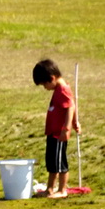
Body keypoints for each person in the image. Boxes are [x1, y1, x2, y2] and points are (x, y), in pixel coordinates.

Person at [32, 59, 80, 198]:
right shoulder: (58, 89)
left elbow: (70, 106)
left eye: (44, 84)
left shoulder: (63, 89)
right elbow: (71, 104)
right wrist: (76, 121)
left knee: (60, 163)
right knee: (52, 163)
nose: (44, 88)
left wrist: (67, 127)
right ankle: (49, 189)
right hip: (52, 133)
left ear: (52, 78)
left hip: (59, 133)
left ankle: (62, 190)